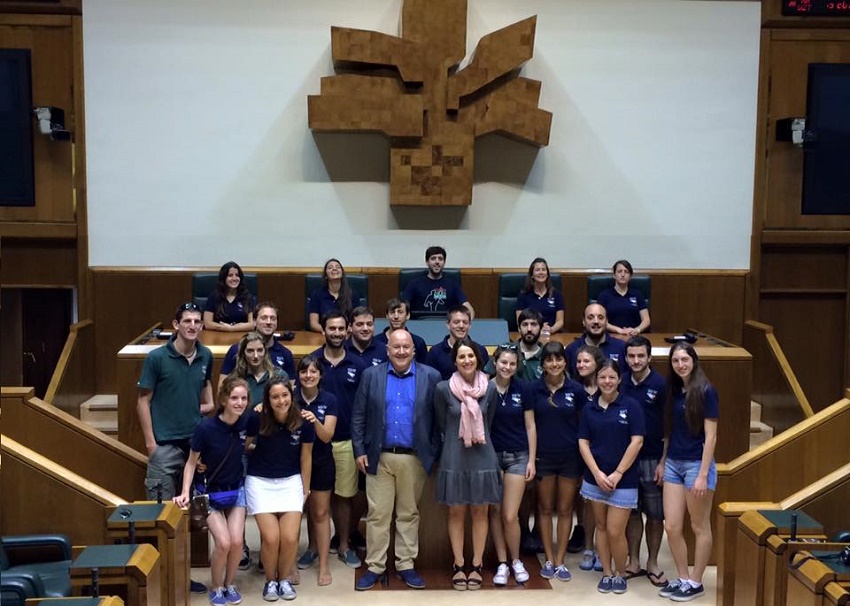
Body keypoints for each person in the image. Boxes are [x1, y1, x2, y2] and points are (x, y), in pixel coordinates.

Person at [351, 329, 442, 591]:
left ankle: (405, 564)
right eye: (396, 347)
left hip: (414, 458)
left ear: (414, 349)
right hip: (378, 457)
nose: (401, 352)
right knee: (378, 516)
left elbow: (438, 421)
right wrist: (359, 450)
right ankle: (375, 566)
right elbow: (358, 416)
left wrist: (432, 451)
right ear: (387, 349)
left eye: (406, 347)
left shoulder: (431, 376)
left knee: (408, 514)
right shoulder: (371, 376)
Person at [137, 301, 213, 594]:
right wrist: (150, 444)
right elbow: (143, 401)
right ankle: (159, 582)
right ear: (176, 325)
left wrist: (205, 409)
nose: (193, 326)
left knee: (188, 518)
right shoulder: (157, 358)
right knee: (161, 518)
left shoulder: (205, 355)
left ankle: (181, 576)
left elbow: (207, 394)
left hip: (194, 447)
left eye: (197, 321)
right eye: (188, 321)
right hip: (164, 447)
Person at [174, 376, 250, 606]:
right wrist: (185, 491)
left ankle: (229, 583)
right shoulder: (205, 428)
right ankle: (215, 586)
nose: (239, 403)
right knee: (224, 543)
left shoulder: (246, 422)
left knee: (237, 543)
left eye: (244, 398)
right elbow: (190, 463)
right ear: (224, 400)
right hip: (208, 493)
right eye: (234, 398)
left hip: (236, 490)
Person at [434, 337, 501, 591]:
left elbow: (489, 421)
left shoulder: (491, 389)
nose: (466, 360)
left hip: (484, 456)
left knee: (480, 512)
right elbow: (442, 424)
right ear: (454, 361)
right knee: (456, 512)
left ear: (478, 359)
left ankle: (477, 564)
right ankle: (459, 564)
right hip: (454, 456)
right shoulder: (442, 389)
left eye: (470, 356)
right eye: (461, 356)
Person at [577, 360, 645, 595]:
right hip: (595, 478)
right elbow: (583, 442)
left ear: (619, 380)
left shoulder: (631, 406)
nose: (607, 382)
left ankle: (620, 572)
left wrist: (617, 473)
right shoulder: (589, 408)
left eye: (611, 378)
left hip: (623, 480)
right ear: (596, 380)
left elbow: (637, 441)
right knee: (602, 527)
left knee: (617, 531)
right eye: (602, 378)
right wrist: (596, 473)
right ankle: (606, 573)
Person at [658, 343, 719, 602]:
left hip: (697, 464)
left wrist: (703, 474)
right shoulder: (673, 390)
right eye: (675, 361)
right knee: (671, 526)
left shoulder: (706, 391)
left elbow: (712, 435)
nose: (680, 365)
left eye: (685, 359)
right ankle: (683, 578)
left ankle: (696, 581)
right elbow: (669, 432)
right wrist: (662, 461)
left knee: (698, 525)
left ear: (693, 361)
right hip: (672, 463)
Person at [245, 377, 313, 602]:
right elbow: (246, 445)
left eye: (284, 395)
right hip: (260, 482)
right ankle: (270, 581)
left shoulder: (304, 421)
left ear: (291, 396)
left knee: (290, 538)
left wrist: (305, 488)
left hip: (291, 482)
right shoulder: (256, 417)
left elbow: (306, 457)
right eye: (275, 396)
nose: (281, 400)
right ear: (267, 399)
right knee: (271, 538)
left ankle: (283, 580)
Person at [310, 311, 367, 570]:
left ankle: (344, 545)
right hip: (314, 442)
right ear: (323, 330)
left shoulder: (358, 365)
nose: (336, 333)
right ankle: (312, 547)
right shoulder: (312, 363)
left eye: (340, 329)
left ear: (347, 332)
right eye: (331, 328)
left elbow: (365, 405)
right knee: (314, 496)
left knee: (344, 496)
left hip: (345, 439)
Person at [527, 342, 585, 581]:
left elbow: (584, 426)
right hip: (544, 458)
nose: (554, 364)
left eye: (558, 359)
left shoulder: (577, 390)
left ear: (565, 362)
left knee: (565, 510)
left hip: (570, 458)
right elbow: (530, 426)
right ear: (542, 365)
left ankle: (560, 561)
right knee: (544, 508)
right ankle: (548, 559)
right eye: (549, 360)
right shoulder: (533, 390)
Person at [621, 335, 668, 587]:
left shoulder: (660, 384)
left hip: (652, 458)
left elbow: (670, 427)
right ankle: (633, 560)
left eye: (641, 356)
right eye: (631, 356)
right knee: (631, 512)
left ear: (649, 357)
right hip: (627, 459)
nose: (636, 360)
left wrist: (663, 461)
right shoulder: (620, 383)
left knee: (655, 514)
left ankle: (653, 562)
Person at [487, 344, 535, 586]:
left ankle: (517, 561)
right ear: (495, 363)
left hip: (518, 456)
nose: (507, 367)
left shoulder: (523, 389)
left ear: (517, 367)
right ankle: (502, 563)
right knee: (494, 512)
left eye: (512, 364)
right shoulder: (484, 387)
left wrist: (531, 460)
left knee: (510, 514)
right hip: (491, 456)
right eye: (503, 362)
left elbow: (530, 426)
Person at [292, 356, 338, 587]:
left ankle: (323, 566)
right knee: (293, 516)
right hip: (291, 464)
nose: (308, 375)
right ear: (298, 375)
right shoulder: (289, 398)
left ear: (320, 375)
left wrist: (314, 421)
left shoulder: (329, 400)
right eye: (304, 371)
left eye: (313, 371)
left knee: (320, 514)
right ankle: (290, 566)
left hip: (321, 462)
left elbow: (327, 435)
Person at [573, 344, 609, 572]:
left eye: (586, 362)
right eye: (579, 362)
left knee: (602, 500)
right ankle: (587, 546)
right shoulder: (573, 388)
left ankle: (601, 548)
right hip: (577, 450)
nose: (581, 365)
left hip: (603, 452)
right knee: (585, 500)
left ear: (597, 364)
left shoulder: (608, 386)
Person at [219, 302, 296, 386]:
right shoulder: (236, 350)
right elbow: (222, 388)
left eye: (273, 318)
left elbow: (290, 390)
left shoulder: (286, 354)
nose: (269, 322)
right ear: (255, 321)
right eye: (264, 318)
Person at [402, 245, 474, 319]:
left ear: (444, 262)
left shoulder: (453, 284)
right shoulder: (414, 283)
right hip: (420, 325)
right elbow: (402, 306)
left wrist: (467, 321)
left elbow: (467, 307)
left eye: (440, 259)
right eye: (433, 259)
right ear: (427, 262)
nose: (437, 262)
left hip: (448, 326)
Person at [425, 305, 489, 380]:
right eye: (456, 322)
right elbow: (430, 381)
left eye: (465, 322)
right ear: (448, 325)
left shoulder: (480, 350)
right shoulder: (435, 352)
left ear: (470, 326)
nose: (461, 326)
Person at [565, 304, 627, 379]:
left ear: (606, 321)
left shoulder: (621, 347)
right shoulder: (571, 349)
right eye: (590, 318)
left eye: (600, 318)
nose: (596, 321)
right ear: (584, 321)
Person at [228, 331, 288, 407]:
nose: (256, 356)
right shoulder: (234, 379)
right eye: (250, 351)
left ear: (265, 352)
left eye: (260, 350)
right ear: (243, 353)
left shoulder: (280, 376)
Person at [484, 308, 545, 381]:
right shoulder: (505, 349)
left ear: (541, 328)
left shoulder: (546, 354)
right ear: (519, 328)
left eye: (533, 324)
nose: (529, 329)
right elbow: (485, 377)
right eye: (525, 324)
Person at [597, 260, 650, 337]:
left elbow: (646, 320)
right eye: (619, 271)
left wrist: (637, 330)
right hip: (611, 336)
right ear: (614, 275)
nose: (623, 274)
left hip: (634, 336)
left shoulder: (637, 294)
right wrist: (619, 330)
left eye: (626, 272)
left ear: (630, 276)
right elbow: (600, 320)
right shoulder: (604, 296)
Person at [308, 259, 360, 333]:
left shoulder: (352, 294)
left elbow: (357, 320)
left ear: (342, 274)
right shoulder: (317, 294)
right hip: (324, 335)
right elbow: (313, 324)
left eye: (338, 267)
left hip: (347, 335)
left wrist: (344, 331)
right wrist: (328, 331)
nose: (334, 268)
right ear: (326, 275)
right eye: (330, 267)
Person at [515, 257, 564, 334]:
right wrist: (535, 330)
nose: (541, 272)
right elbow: (520, 321)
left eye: (543, 270)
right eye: (537, 270)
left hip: (552, 335)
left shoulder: (556, 294)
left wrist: (550, 330)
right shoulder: (523, 295)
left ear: (547, 274)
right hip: (530, 334)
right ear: (532, 275)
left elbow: (560, 321)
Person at [373, 297, 428, 365]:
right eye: (392, 312)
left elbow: (423, 370)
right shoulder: (375, 341)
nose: (396, 316)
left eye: (400, 312)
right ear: (387, 315)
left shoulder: (418, 342)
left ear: (408, 315)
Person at [204, 261, 256, 332]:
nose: (234, 278)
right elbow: (207, 323)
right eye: (230, 275)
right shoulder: (214, 296)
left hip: (241, 337)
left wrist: (232, 328)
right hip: (218, 337)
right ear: (224, 278)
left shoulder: (248, 297)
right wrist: (224, 328)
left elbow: (252, 325)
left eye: (237, 275)